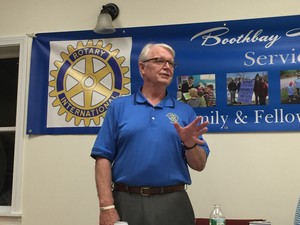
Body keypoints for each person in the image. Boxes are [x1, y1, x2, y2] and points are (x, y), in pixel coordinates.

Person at [91, 43, 210, 225]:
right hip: (126, 201)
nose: (167, 67)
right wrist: (106, 206)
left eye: (171, 63)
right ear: (142, 68)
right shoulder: (119, 107)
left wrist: (190, 144)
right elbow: (103, 158)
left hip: (174, 202)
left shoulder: (185, 112)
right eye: (159, 61)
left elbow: (199, 165)